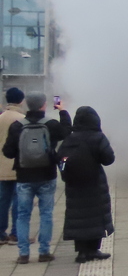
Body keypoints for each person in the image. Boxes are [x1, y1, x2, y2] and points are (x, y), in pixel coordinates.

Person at [3, 92, 71, 263]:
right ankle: (44, 251)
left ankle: (23, 253)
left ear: (26, 104)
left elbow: (8, 152)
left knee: (23, 215)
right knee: (46, 214)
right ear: (43, 105)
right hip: (47, 175)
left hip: (24, 177)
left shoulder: (17, 126)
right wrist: (63, 111)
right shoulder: (51, 124)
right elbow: (66, 132)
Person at [57, 106, 116, 262]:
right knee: (95, 216)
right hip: (94, 184)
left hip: (74, 185)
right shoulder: (98, 137)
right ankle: (94, 249)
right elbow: (108, 159)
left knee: (78, 217)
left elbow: (60, 158)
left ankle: (82, 252)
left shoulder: (70, 138)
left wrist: (66, 173)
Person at [0, 87, 23, 244]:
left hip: (1, 167)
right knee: (18, 201)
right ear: (21, 101)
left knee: (2, 200)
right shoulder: (23, 119)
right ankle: (16, 233)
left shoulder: (0, 118)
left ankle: (1, 234)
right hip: (18, 166)